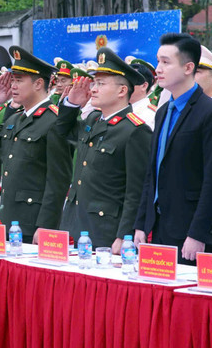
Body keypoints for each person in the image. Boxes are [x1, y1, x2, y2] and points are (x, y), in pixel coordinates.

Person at [133, 33, 212, 264]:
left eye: (166, 62)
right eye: (158, 61)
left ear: (188, 67)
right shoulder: (162, 111)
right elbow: (152, 173)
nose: (158, 68)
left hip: (191, 230)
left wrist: (198, 232)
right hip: (159, 227)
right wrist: (140, 224)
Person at [56, 48, 152, 251]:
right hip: (75, 225)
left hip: (105, 231)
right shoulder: (92, 119)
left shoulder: (135, 130)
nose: (94, 89)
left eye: (101, 83)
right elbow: (61, 132)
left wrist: (124, 235)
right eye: (94, 83)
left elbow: (135, 192)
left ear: (122, 91)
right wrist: (72, 104)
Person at [0, 46, 72, 242]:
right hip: (8, 220)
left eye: (19, 80)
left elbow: (58, 182)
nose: (13, 86)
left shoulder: (54, 121)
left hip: (32, 224)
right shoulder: (14, 119)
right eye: (12, 80)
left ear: (38, 84)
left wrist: (45, 226)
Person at [126, 58, 158, 130]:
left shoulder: (152, 115)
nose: (124, 86)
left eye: (130, 81)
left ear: (144, 86)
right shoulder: (118, 109)